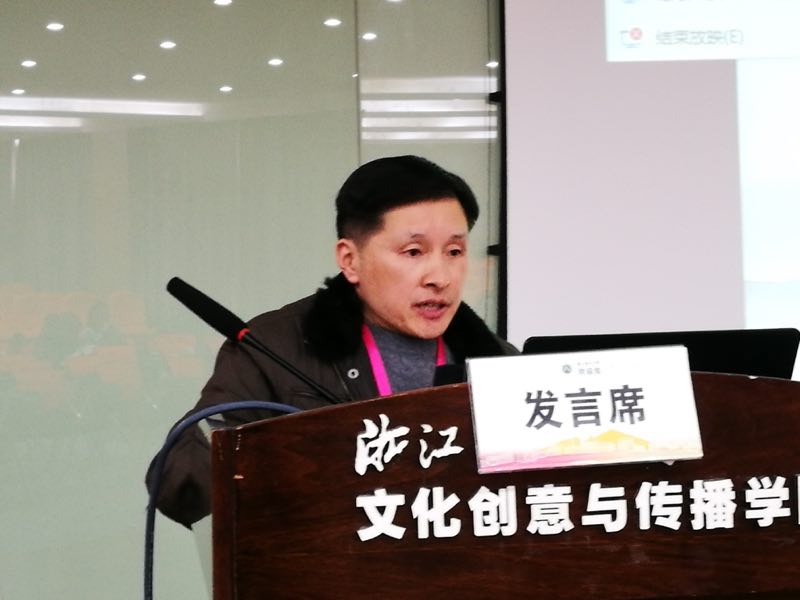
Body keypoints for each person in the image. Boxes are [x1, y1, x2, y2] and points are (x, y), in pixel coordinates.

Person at [147, 155, 518, 527]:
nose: (440, 277)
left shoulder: (498, 362)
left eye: (454, 252)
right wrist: (296, 454)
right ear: (350, 260)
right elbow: (178, 488)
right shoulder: (274, 349)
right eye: (413, 252)